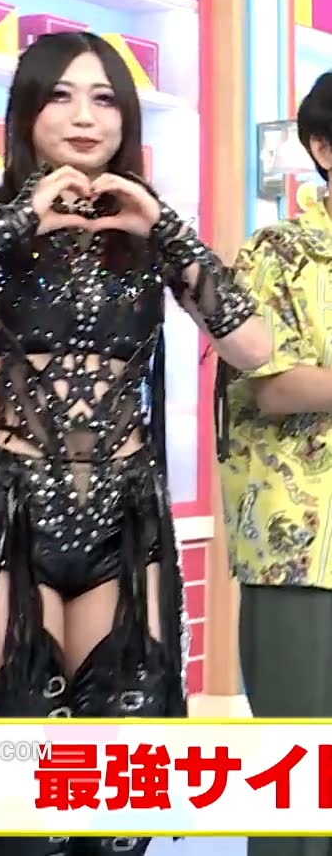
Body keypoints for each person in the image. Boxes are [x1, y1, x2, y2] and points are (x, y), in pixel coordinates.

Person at [0, 32, 271, 856]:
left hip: (125, 517)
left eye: (104, 99)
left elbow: (253, 348)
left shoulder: (145, 229)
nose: (84, 117)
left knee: (115, 779)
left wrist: (167, 231)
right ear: (26, 111)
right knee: (20, 776)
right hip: (7, 510)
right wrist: (16, 221)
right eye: (61, 96)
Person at [217, 70, 332, 856]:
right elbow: (272, 384)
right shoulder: (278, 253)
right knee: (302, 785)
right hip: (304, 549)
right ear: (322, 147)